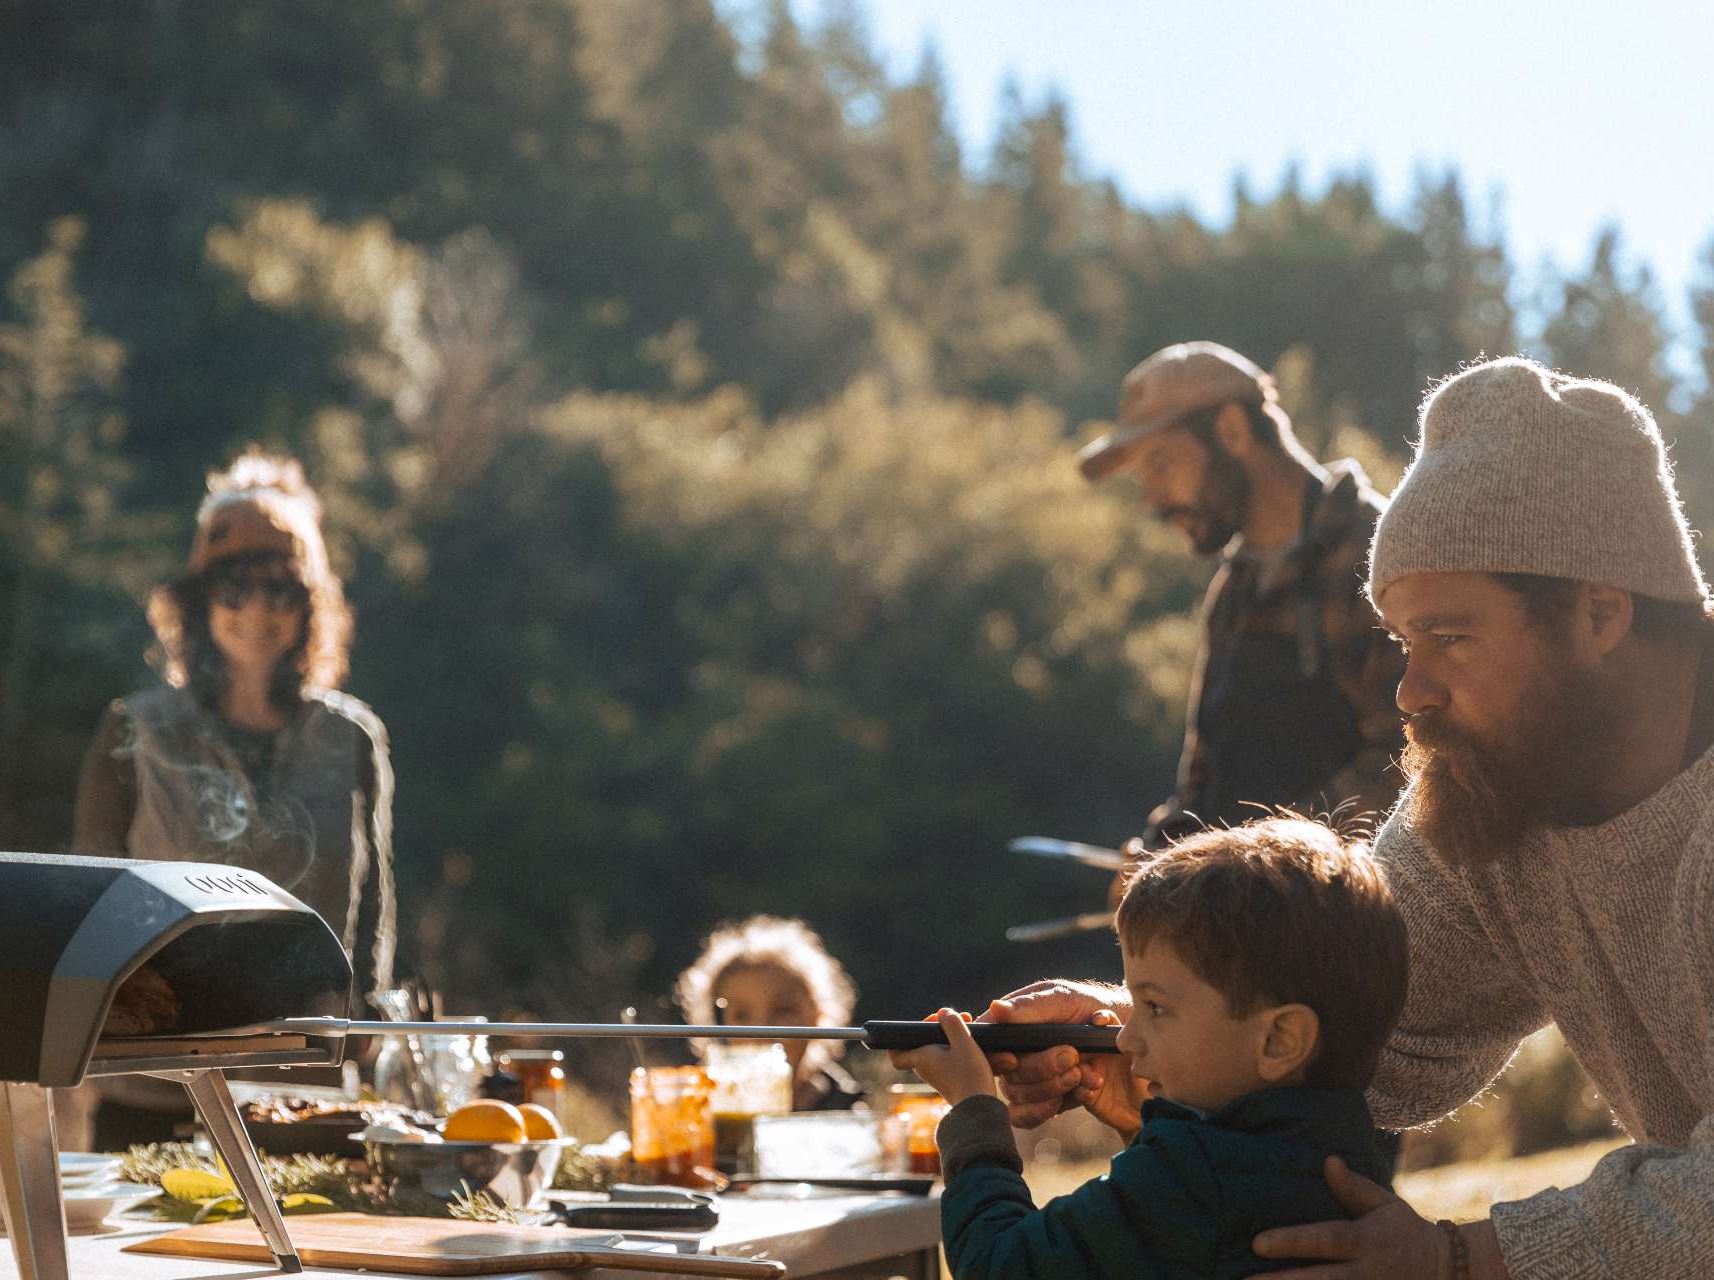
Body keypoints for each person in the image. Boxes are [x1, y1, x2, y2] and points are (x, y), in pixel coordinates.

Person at [989, 357, 1714, 1278]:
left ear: (1599, 614)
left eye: (1449, 637)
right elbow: (1362, 1029)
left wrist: (1464, 1260)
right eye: (1402, 643)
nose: (1411, 692)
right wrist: (1135, 1033)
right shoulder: (1501, 791)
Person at [893, 818, 1407, 1278]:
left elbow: (999, 1264)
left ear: (1280, 1040)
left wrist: (973, 1112)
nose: (1125, 1036)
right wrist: (1143, 1132)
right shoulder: (1344, 1149)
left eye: (1155, 1008)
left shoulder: (1192, 1177)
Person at [74, 450, 397, 1144]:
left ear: (310, 604)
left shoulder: (352, 737)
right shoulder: (137, 728)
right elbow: (89, 892)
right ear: (198, 601)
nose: (257, 610)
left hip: (297, 1086)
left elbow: (370, 912)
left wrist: (359, 1025)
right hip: (152, 1078)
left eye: (280, 589)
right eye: (234, 587)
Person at [1079, 343, 1406, 869]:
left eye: (1160, 465)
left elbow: (1407, 769)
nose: (1153, 502)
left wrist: (1246, 861)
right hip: (1244, 928)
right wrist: (1160, 860)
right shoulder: (1232, 594)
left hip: (1352, 934)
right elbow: (1201, 783)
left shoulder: (1376, 556)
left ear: (1232, 430)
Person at [675, 915, 864, 1110]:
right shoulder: (699, 1112)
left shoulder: (850, 1113)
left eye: (783, 1011)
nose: (762, 1030)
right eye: (741, 1015)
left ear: (817, 1015)